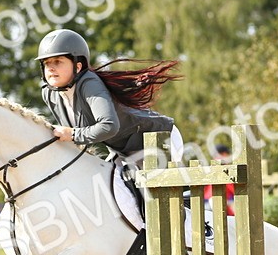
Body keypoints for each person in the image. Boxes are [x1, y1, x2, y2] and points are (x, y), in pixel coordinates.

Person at [37, 29, 184, 164]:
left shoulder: (89, 83)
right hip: (122, 152)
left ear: (77, 66)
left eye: (58, 61)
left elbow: (109, 126)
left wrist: (73, 134)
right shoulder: (49, 93)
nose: (50, 68)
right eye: (46, 63)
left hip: (159, 140)